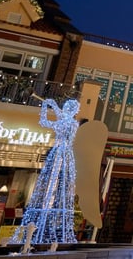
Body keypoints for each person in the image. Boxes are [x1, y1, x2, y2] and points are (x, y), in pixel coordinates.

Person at [9, 98, 80, 244]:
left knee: (62, 184)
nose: (67, 109)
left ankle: (50, 230)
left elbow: (61, 125)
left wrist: (54, 107)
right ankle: (32, 231)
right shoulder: (65, 121)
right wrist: (46, 108)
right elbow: (44, 122)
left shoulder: (72, 123)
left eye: (69, 108)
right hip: (55, 153)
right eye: (66, 107)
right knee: (47, 182)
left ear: (73, 111)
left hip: (64, 154)